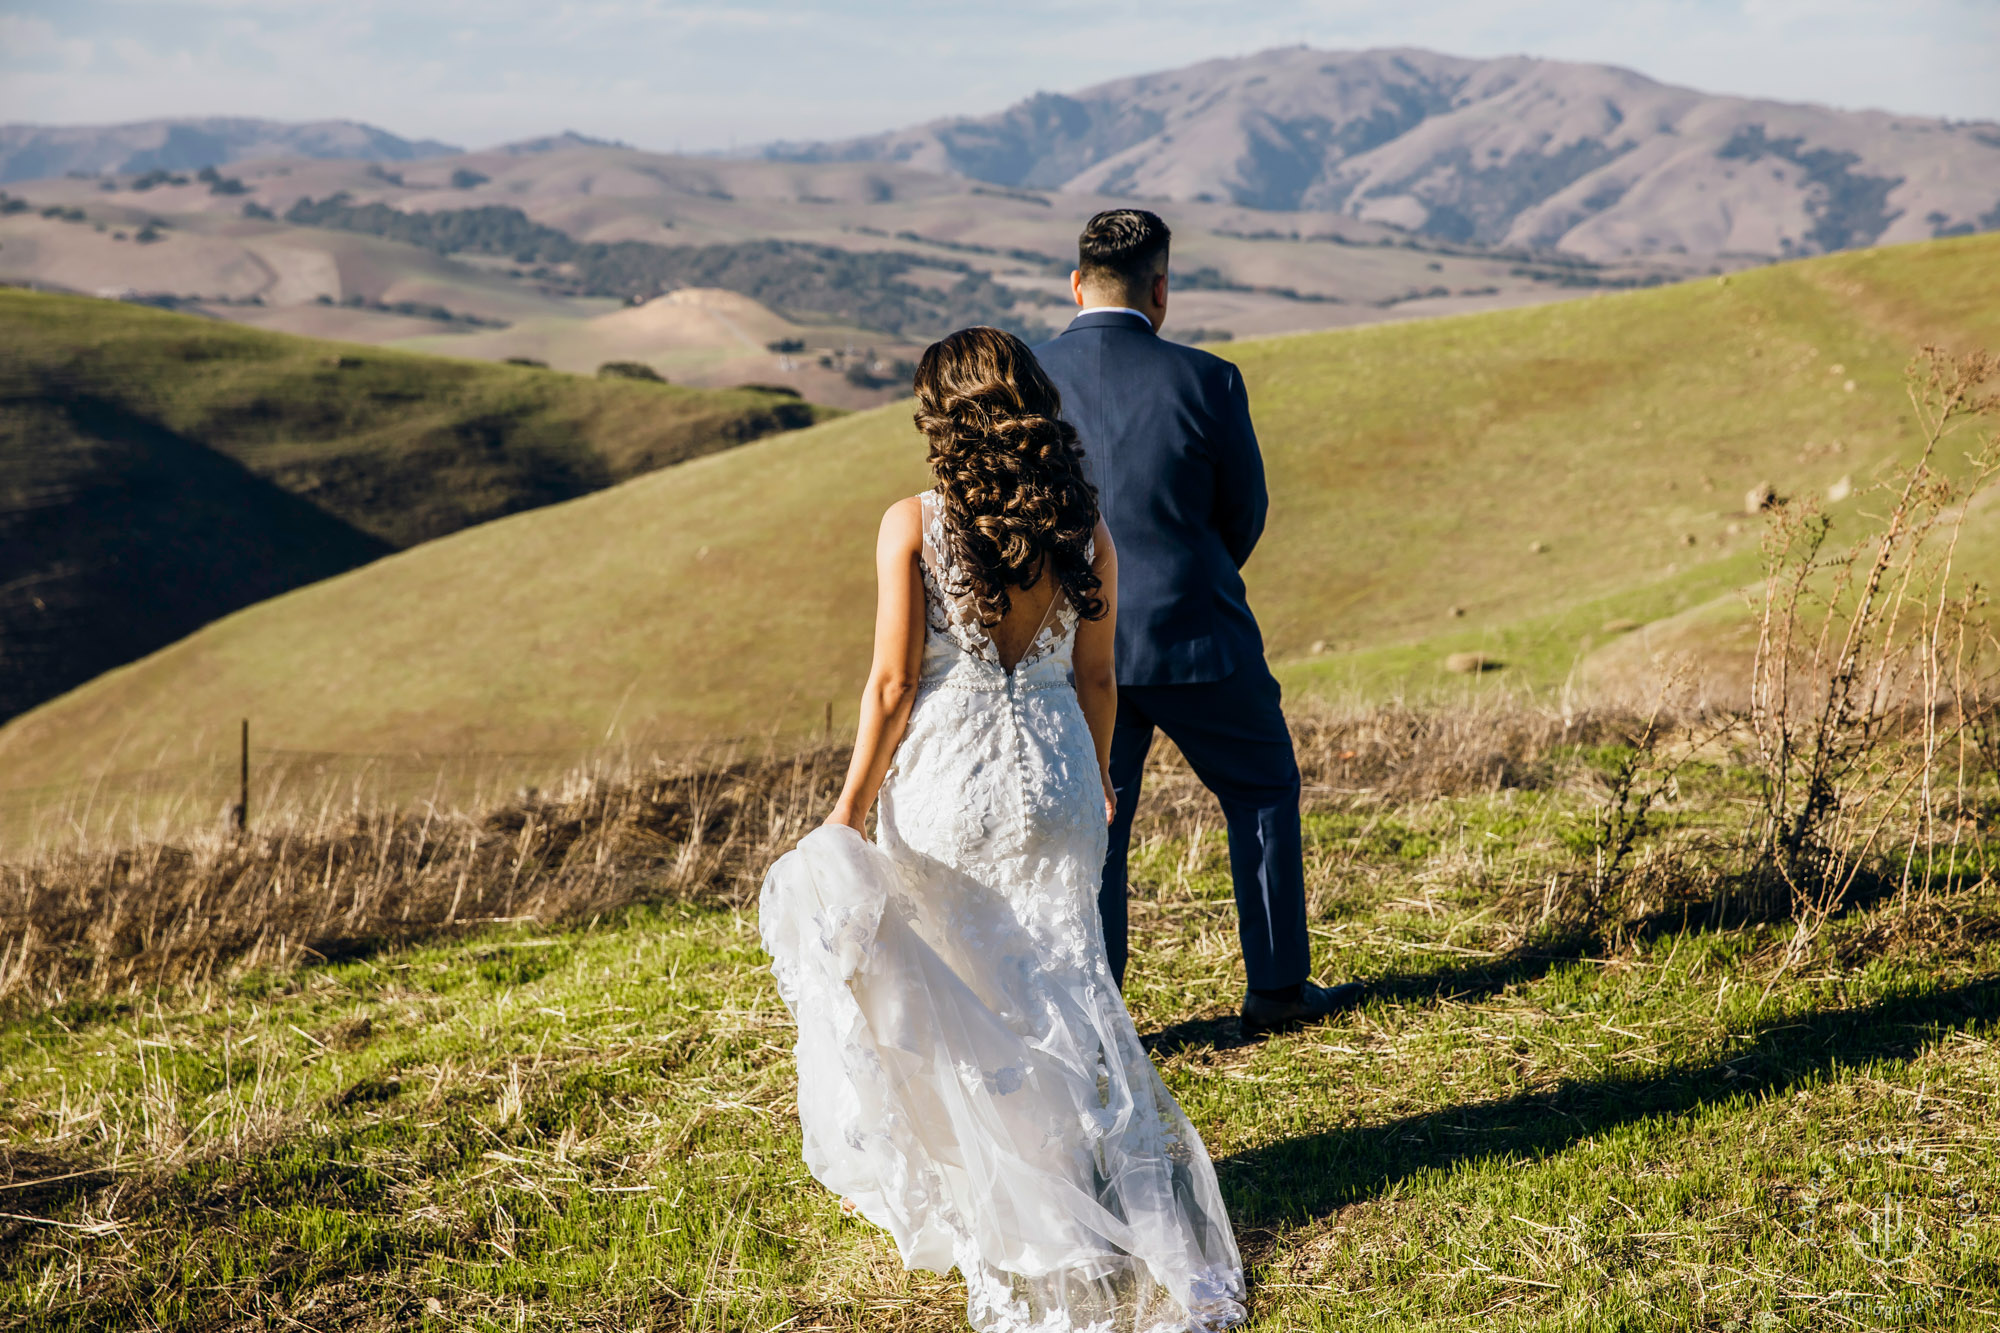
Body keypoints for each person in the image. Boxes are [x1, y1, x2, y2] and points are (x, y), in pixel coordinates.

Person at [760, 327, 1248, 1332]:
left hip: (951, 785)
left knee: (961, 984)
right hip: (1062, 775)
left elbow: (894, 685)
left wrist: (845, 812)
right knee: (1067, 982)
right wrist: (1104, 777)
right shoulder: (1085, 530)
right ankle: (1089, 1182)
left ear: (943, 421)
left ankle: (1017, 1199)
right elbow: (1097, 677)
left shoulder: (914, 524)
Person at [1032, 209, 1362, 1037]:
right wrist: (1197, 572)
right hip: (1197, 635)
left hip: (1073, 642)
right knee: (1260, 791)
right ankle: (1279, 988)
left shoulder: (1027, 379)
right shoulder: (1210, 379)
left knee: (1095, 818)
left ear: (1076, 285)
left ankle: (1100, 1012)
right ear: (1162, 291)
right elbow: (1243, 513)